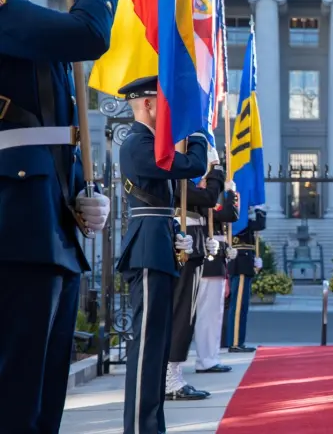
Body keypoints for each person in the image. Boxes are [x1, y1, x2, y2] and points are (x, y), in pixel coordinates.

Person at [0, 0, 116, 432]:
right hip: (18, 227)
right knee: (16, 402)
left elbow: (48, 127)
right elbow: (88, 33)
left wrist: (81, 191)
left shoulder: (22, 10)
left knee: (43, 405)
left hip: (46, 224)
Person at [115, 75, 209, 434]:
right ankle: (140, 427)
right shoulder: (139, 144)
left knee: (158, 343)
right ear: (147, 104)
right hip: (148, 248)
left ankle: (151, 425)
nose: (171, 111)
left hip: (159, 243)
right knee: (147, 345)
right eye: (165, 103)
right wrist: (197, 130)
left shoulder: (150, 143)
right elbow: (192, 165)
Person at [164, 146, 226, 401]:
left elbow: (205, 206)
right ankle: (169, 378)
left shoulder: (185, 181)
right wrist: (217, 171)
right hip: (180, 241)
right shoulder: (175, 177)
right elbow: (209, 197)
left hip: (193, 240)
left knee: (185, 315)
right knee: (179, 313)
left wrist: (206, 239)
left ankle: (173, 374)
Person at [196, 163, 239, 371]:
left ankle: (210, 357)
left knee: (214, 313)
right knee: (208, 313)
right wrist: (229, 195)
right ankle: (206, 359)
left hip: (216, 257)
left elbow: (231, 216)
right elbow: (226, 214)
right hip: (208, 259)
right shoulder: (202, 197)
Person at [226, 205, 266, 353]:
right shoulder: (238, 222)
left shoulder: (241, 221)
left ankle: (238, 341)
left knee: (241, 306)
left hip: (244, 262)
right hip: (241, 264)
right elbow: (260, 224)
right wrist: (260, 209)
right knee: (238, 307)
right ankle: (235, 342)